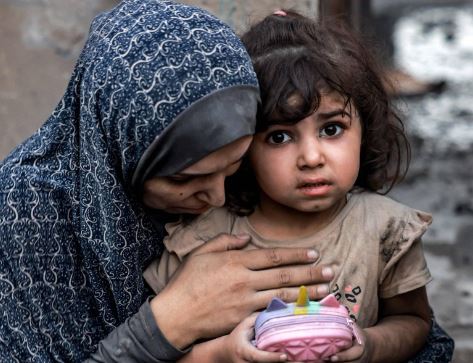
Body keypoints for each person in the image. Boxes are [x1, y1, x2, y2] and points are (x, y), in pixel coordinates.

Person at [0, 2, 336, 362]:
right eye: (185, 178)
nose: (218, 196)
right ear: (119, 148)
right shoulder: (25, 212)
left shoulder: (264, 182)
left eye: (233, 166)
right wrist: (173, 320)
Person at [143, 9, 455, 363]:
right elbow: (164, 349)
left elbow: (414, 321)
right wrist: (223, 355)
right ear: (243, 146)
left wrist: (369, 346)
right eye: (279, 137)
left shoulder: (386, 231)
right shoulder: (206, 240)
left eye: (332, 129)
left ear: (364, 128)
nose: (311, 157)